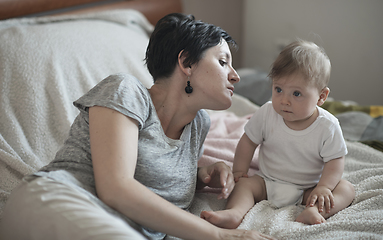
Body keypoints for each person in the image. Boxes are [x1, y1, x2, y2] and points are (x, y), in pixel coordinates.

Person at [0, 13, 275, 240]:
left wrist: (200, 176)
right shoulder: (126, 91)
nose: (235, 76)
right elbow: (116, 188)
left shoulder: (198, 124)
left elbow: (149, 177)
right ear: (186, 63)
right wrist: (220, 236)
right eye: (223, 62)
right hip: (59, 200)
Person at [201, 39, 355, 228]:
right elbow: (248, 142)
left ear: (321, 97)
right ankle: (235, 213)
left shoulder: (328, 126)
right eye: (278, 89)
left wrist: (323, 187)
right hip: (267, 182)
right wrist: (240, 171)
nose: (284, 101)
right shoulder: (267, 113)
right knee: (243, 186)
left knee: (346, 189)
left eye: (296, 94)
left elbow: (335, 161)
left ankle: (314, 210)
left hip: (308, 188)